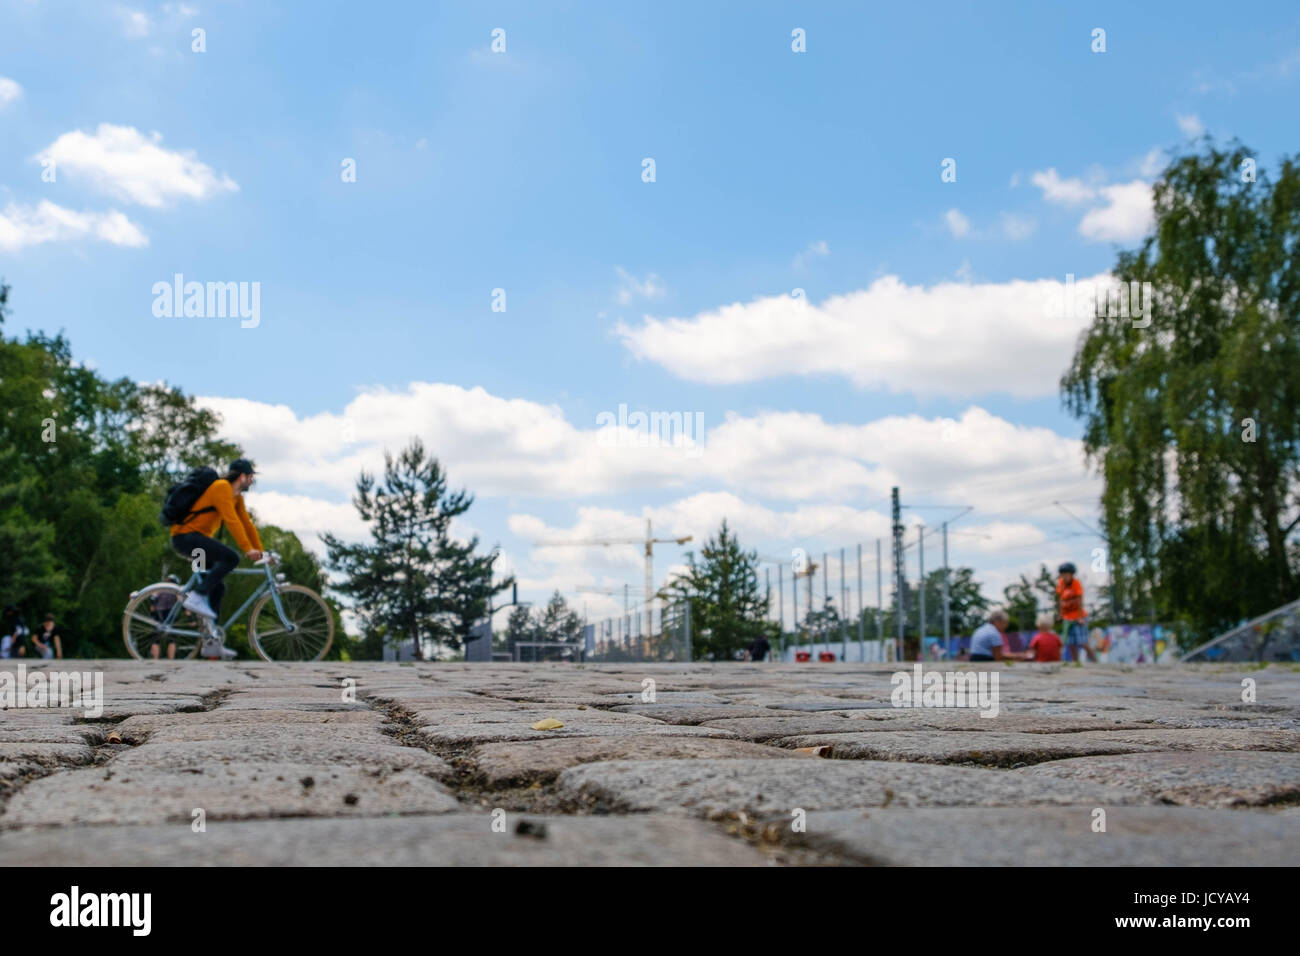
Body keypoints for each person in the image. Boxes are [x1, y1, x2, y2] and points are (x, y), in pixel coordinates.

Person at [168, 459, 263, 625]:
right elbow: (232, 521)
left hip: (197, 543)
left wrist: (261, 551)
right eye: (251, 477)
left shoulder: (237, 497)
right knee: (231, 558)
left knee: (217, 587)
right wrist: (247, 549)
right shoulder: (222, 488)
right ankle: (196, 596)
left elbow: (247, 524)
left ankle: (212, 639)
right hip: (186, 538)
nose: (251, 481)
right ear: (242, 477)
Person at [1056, 562, 1096, 662]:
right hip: (1067, 617)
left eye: (1066, 574)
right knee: (1071, 643)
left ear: (1072, 574)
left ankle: (1095, 661)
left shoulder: (1076, 584)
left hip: (1078, 616)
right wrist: (1060, 615)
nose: (1064, 576)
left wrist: (1080, 617)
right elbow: (1060, 600)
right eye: (1063, 574)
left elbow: (1079, 601)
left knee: (1082, 642)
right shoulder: (1061, 584)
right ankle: (1076, 663)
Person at [149, 574, 182, 660]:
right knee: (172, 639)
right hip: (170, 614)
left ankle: (155, 660)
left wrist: (152, 614)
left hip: (158, 613)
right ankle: (171, 660)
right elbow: (181, 601)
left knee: (155, 638)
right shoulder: (176, 590)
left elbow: (152, 600)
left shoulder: (160, 588)